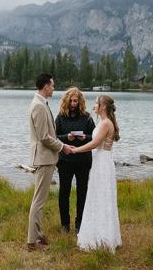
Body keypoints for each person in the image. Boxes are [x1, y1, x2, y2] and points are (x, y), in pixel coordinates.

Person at [27, 73, 74, 251]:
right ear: (45, 86)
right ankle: (32, 242)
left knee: (40, 199)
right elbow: (45, 137)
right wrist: (63, 147)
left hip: (45, 157)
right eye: (53, 85)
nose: (54, 88)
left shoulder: (41, 103)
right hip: (44, 158)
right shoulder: (38, 106)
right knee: (38, 201)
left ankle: (38, 235)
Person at [71, 94, 122, 252]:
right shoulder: (103, 122)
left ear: (103, 107)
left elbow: (94, 144)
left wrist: (75, 150)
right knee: (96, 196)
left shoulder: (106, 123)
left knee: (102, 197)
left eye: (96, 103)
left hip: (103, 163)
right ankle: (97, 234)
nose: (94, 106)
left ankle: (103, 238)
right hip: (100, 161)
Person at [55, 86, 96, 233]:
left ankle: (80, 225)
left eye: (76, 101)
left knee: (82, 192)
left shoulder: (87, 117)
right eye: (71, 101)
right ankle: (65, 225)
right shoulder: (60, 117)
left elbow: (96, 137)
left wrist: (85, 137)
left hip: (83, 160)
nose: (73, 104)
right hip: (65, 160)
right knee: (64, 192)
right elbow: (53, 138)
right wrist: (67, 137)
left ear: (80, 102)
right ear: (66, 101)